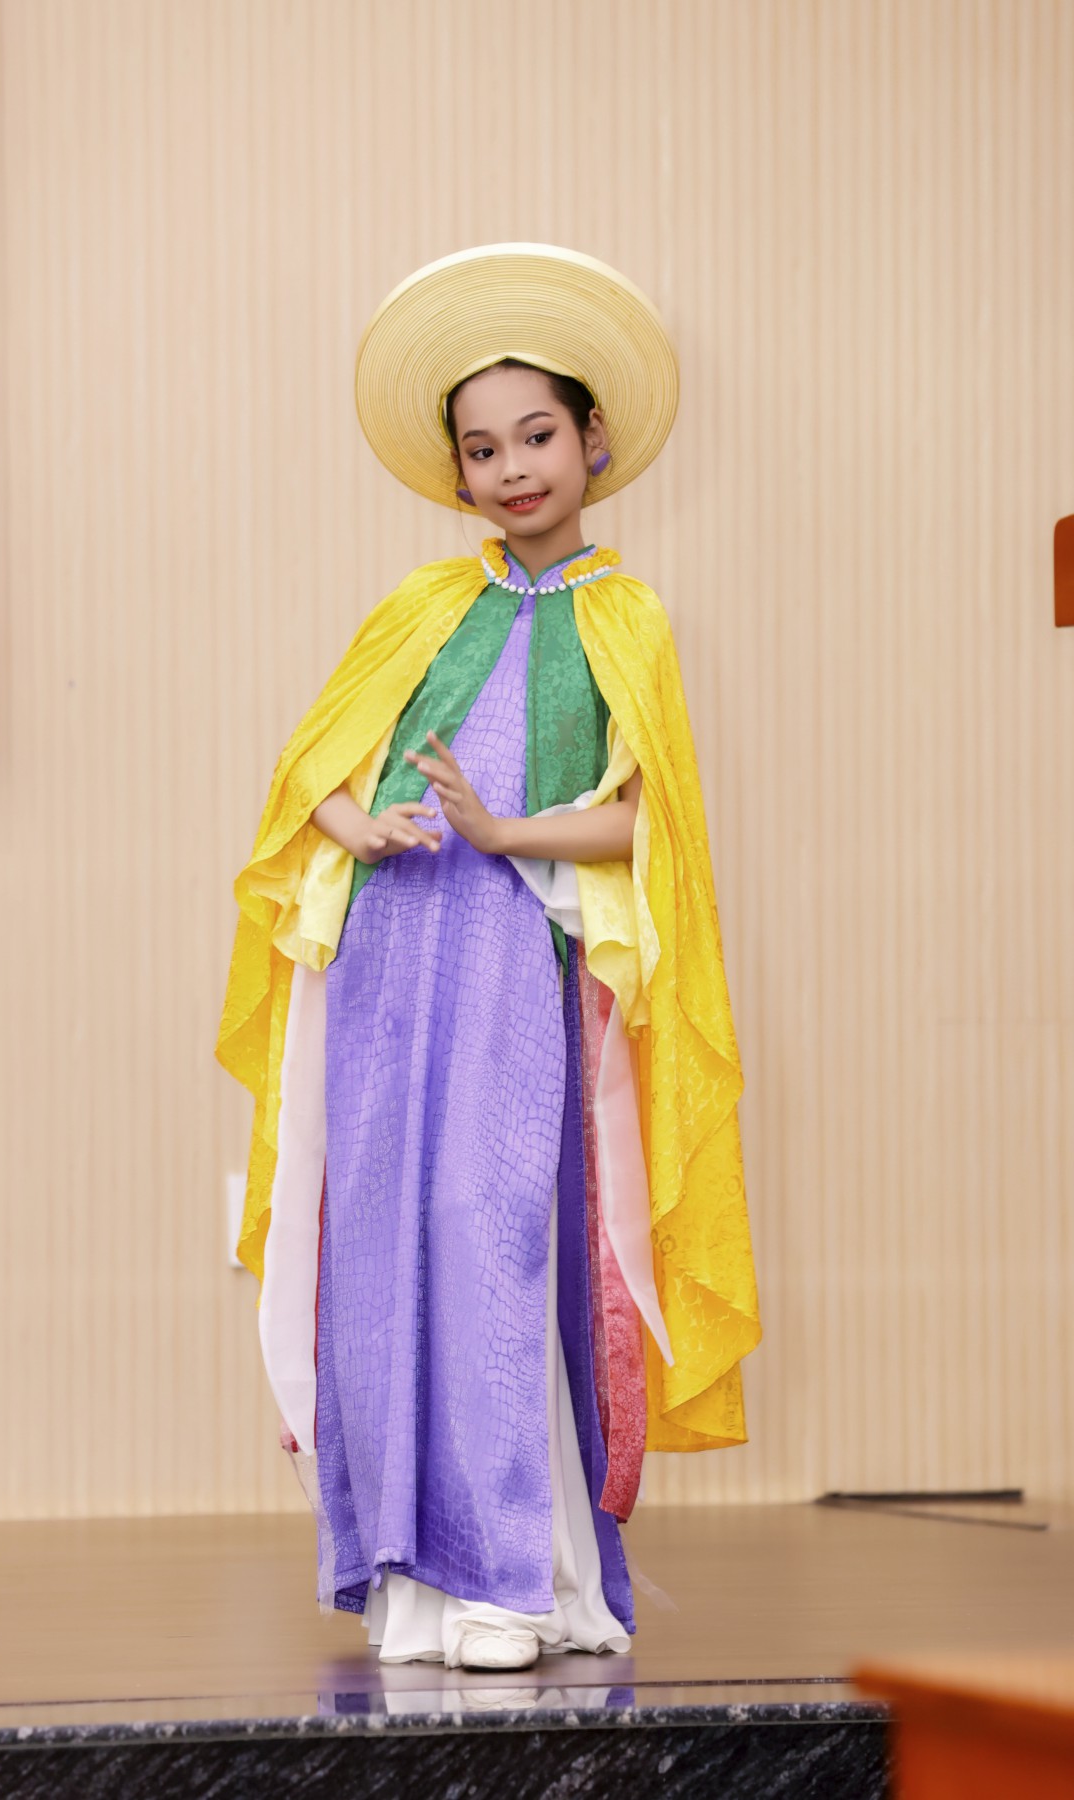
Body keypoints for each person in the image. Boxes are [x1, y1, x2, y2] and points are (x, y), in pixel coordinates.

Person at [216, 243, 761, 1673]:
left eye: (536, 436)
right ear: (456, 474)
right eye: (483, 448)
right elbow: (310, 781)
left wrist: (505, 828)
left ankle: (520, 1576)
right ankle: (407, 1581)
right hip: (393, 964)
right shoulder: (421, 610)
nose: (513, 468)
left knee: (495, 1235)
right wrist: (367, 820)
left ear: (593, 441)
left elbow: (646, 826)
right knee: (385, 1248)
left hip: (520, 963)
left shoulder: (628, 622)